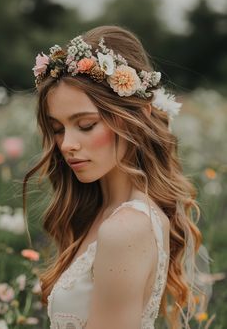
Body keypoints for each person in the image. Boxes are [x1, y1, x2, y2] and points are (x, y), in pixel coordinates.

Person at [23, 25, 208, 329]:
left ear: (138, 118)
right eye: (58, 129)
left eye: (85, 125)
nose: (66, 144)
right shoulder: (107, 215)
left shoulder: (126, 229)